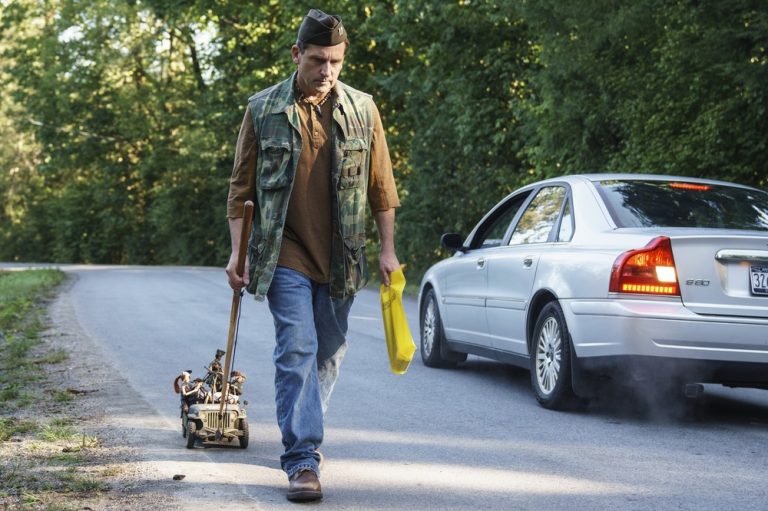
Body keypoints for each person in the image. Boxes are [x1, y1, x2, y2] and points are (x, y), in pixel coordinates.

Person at [225, 8, 400, 503]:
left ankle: (302, 421)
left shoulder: (363, 109)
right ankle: (302, 458)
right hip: (285, 252)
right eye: (319, 60)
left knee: (327, 352)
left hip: (343, 256)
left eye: (336, 62)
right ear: (297, 54)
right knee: (297, 347)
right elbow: (241, 190)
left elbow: (381, 186)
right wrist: (237, 255)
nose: (327, 71)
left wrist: (388, 252)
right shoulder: (262, 109)